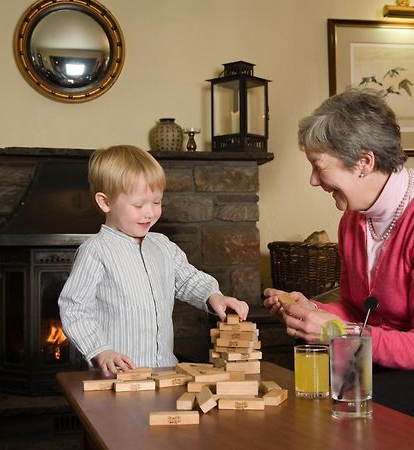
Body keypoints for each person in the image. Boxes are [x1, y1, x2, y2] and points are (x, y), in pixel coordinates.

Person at [59, 145, 249, 377]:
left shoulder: (162, 246)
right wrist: (100, 350)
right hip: (117, 376)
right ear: (105, 202)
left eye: (157, 202)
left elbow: (188, 279)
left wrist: (214, 296)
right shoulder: (95, 251)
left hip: (165, 371)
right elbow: (75, 309)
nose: (150, 213)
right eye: (139, 205)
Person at [263, 88, 414, 371]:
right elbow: (358, 311)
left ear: (363, 163)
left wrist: (339, 332)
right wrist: (313, 310)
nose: (313, 180)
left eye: (318, 167)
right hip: (371, 365)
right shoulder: (352, 220)